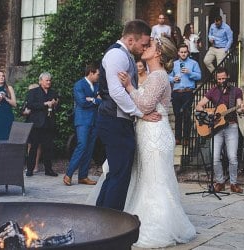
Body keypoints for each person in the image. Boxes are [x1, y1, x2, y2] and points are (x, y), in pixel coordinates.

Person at [90, 36, 196, 248]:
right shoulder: (151, 75)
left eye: (150, 46)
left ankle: (156, 225)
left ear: (158, 53)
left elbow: (147, 105)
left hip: (155, 133)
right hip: (146, 130)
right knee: (143, 178)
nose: (145, 47)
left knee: (154, 180)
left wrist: (129, 86)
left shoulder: (158, 76)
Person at [95, 19, 161, 211]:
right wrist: (140, 113)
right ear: (131, 39)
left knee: (117, 172)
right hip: (113, 121)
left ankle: (101, 216)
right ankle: (111, 222)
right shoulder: (117, 54)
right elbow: (116, 92)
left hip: (117, 121)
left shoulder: (124, 54)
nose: (144, 47)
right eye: (143, 44)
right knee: (119, 174)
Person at [195, 67, 244, 193]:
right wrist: (209, 113)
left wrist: (243, 109)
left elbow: (239, 108)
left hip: (231, 127)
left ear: (228, 77)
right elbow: (199, 105)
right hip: (216, 129)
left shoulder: (236, 91)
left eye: (224, 78)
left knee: (232, 157)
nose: (222, 80)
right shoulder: (213, 91)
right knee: (214, 158)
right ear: (216, 79)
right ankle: (220, 182)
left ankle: (233, 183)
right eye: (219, 79)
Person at [63, 64, 101, 186]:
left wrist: (93, 99)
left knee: (89, 149)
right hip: (83, 121)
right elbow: (82, 102)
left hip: (95, 121)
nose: (98, 76)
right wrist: (95, 100)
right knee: (82, 146)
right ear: (91, 73)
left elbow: (102, 99)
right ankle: (68, 174)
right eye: (97, 74)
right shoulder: (79, 85)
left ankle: (83, 176)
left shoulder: (97, 85)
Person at [26, 72, 59, 177]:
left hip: (49, 123)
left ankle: (48, 170)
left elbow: (57, 106)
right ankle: (30, 169)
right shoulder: (33, 92)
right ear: (40, 81)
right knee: (33, 147)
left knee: (48, 147)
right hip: (37, 123)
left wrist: (55, 104)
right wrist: (44, 104)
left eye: (50, 80)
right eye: (46, 80)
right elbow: (30, 105)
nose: (49, 82)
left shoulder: (53, 92)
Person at [169, 43, 202, 145]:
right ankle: (178, 138)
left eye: (185, 52)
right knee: (177, 115)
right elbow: (167, 76)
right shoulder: (173, 64)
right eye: (181, 52)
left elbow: (199, 76)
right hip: (176, 92)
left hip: (188, 92)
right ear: (178, 53)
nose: (183, 54)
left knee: (187, 116)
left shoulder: (193, 63)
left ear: (188, 53)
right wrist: (173, 79)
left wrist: (189, 73)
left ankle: (186, 139)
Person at [22, 83, 42, 173]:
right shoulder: (28, 99)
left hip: (38, 124)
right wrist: (25, 112)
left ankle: (36, 166)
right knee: (29, 144)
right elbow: (23, 110)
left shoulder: (40, 100)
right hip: (29, 123)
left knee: (37, 145)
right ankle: (30, 165)